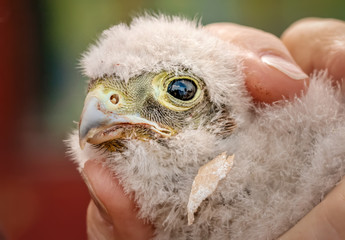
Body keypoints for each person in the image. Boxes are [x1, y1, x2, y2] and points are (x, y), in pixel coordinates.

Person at [80, 18, 345, 239]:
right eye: (95, 90)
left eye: (179, 91)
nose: (101, 104)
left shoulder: (324, 149)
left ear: (227, 118)